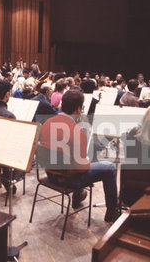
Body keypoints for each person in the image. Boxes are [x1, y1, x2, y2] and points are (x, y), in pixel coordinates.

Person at [39, 90, 118, 222]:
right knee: (109, 167)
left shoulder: (47, 123)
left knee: (75, 158)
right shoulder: (76, 130)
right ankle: (111, 212)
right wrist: (87, 160)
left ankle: (78, 196)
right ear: (78, 109)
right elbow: (81, 168)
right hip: (67, 179)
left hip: (50, 174)